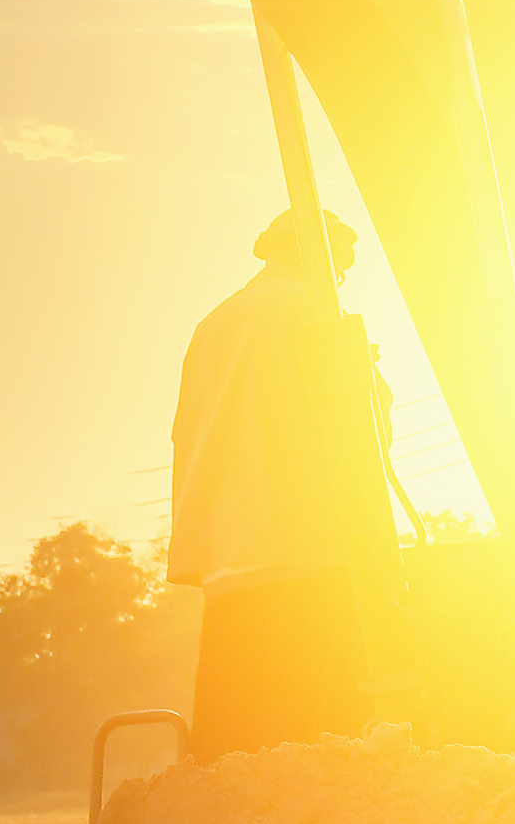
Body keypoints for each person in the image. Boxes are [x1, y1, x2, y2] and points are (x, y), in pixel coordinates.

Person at [167, 207, 398, 752]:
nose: (340, 278)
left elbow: (185, 432)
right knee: (322, 746)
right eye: (340, 266)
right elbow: (364, 432)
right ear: (324, 260)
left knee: (233, 747)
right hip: (309, 552)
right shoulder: (318, 314)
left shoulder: (213, 324)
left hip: (228, 560)